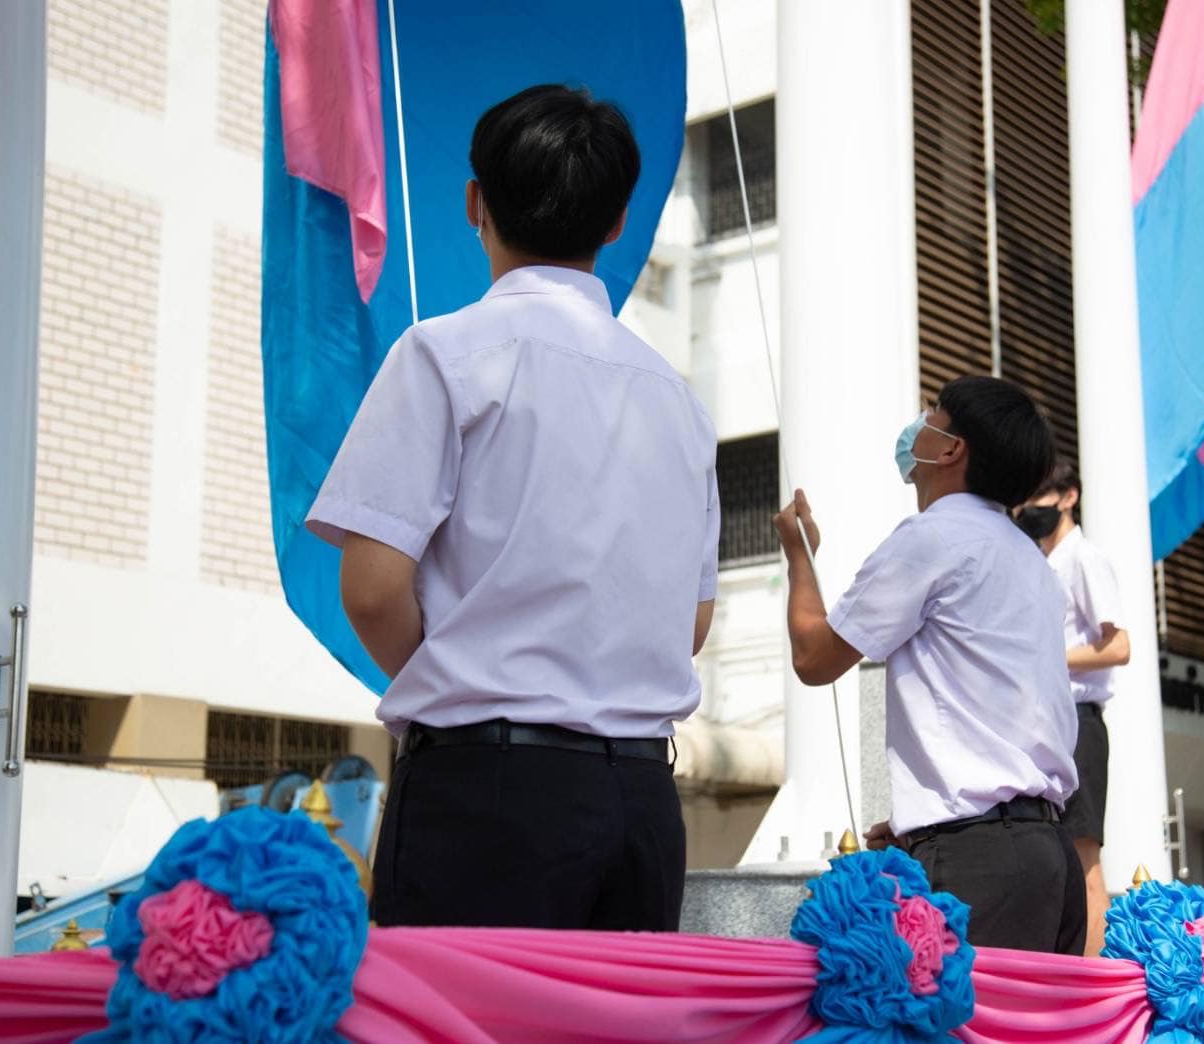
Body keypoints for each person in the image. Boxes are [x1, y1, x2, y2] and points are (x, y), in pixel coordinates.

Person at [306, 85, 720, 931]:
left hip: (485, 791)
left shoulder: (443, 355)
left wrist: (473, 672)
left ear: (474, 203)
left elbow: (373, 589)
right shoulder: (677, 400)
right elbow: (693, 618)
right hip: (643, 803)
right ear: (615, 223)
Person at [772, 376, 1084, 955]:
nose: (920, 420)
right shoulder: (1029, 559)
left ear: (949, 448)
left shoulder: (932, 537)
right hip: (1045, 850)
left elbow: (815, 658)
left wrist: (799, 556)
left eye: (933, 413)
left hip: (983, 858)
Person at [1014, 461, 1130, 956]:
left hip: (1079, 722)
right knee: (1053, 858)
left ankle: (1093, 984)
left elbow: (1119, 645)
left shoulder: (1083, 557)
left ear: (1068, 497)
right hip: (1047, 723)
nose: (1027, 509)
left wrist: (1048, 657)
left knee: (1084, 862)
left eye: (1039, 496)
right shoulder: (1044, 561)